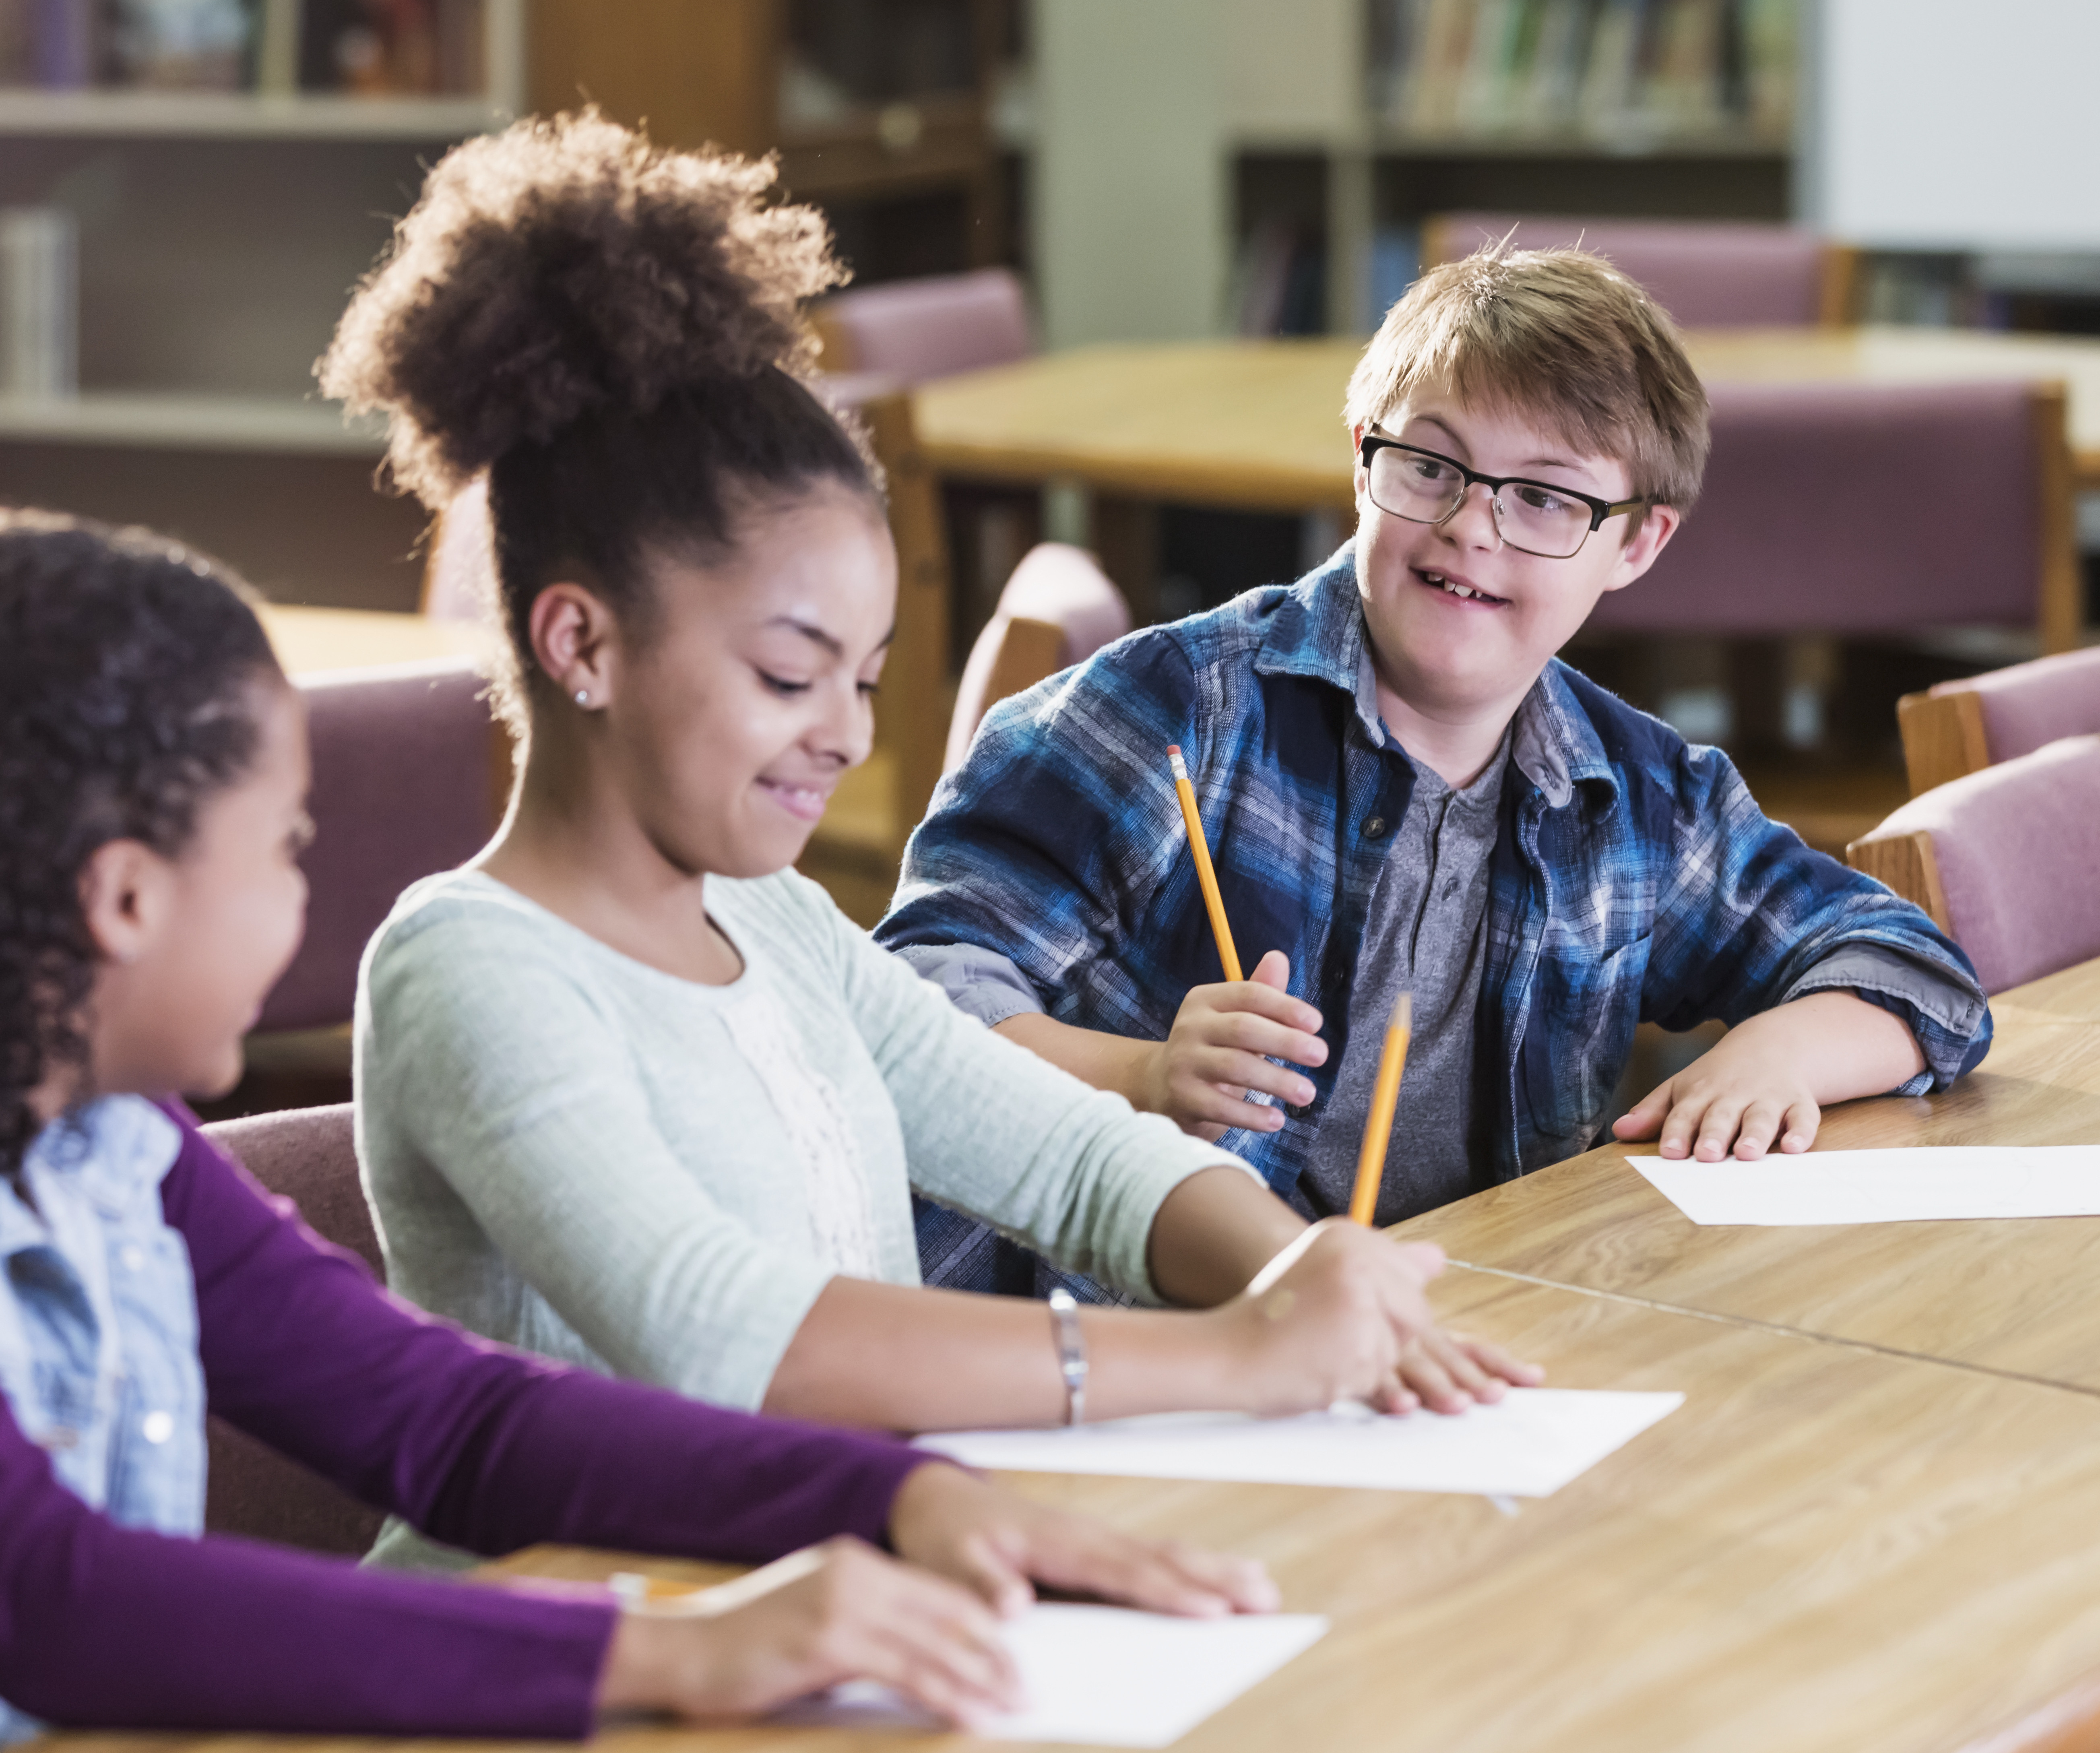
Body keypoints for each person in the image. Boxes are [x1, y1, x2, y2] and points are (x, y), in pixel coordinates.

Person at [0, 509, 1283, 1751]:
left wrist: (889, 1494)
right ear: (123, 896)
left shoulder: (87, 1129)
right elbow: (39, 1599)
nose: (310, 894)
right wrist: (663, 1652)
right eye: (284, 848)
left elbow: (444, 1421)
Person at [322, 112, 1536, 1459]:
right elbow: (718, 1333)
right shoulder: (470, 966)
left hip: (828, 1574)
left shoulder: (770, 920)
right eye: (792, 677)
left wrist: (1294, 1270)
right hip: (571, 1621)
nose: (847, 736)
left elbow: (1072, 1158)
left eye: (867, 677)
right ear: (580, 644)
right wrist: (1232, 1353)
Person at [879, 242, 1992, 1296]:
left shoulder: (1642, 802)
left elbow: (1918, 972)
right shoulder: (1173, 710)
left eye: (1545, 498)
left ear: (1640, 543)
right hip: (1121, 1344)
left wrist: (1786, 1048)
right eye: (1430, 466)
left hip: (1444, 1339)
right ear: (1363, 453)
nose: (1472, 527)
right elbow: (903, 1005)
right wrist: (1144, 1079)